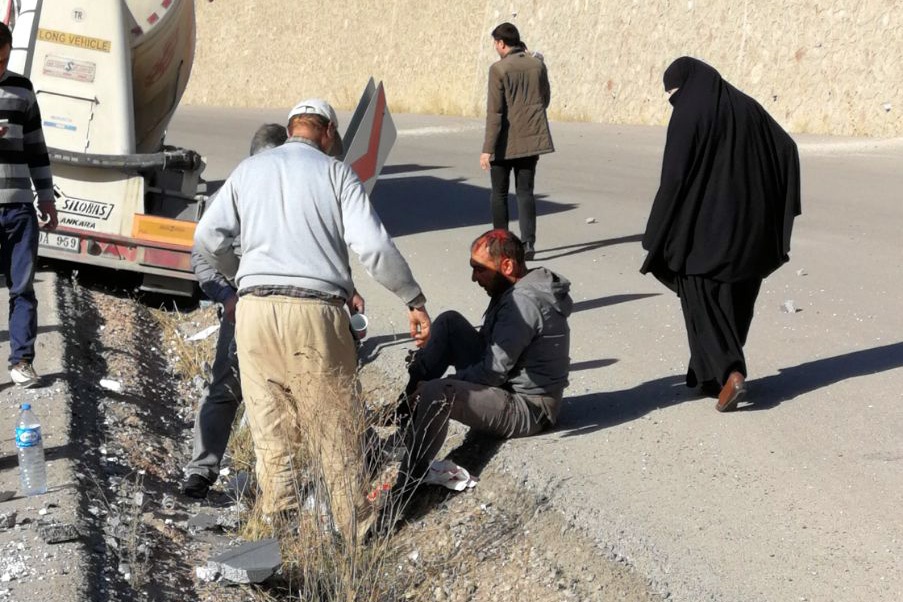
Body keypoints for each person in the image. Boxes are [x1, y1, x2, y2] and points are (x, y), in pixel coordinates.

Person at [193, 98, 431, 543]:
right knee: (335, 429)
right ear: (328, 131)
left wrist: (240, 275)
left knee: (271, 432)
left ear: (291, 129)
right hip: (315, 314)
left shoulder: (250, 171)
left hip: (254, 313)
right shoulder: (336, 173)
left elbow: (207, 236)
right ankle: (356, 535)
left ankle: (276, 539)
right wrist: (412, 298)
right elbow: (374, 247)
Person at [183, 122, 367, 499]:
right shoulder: (239, 188)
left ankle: (300, 482)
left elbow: (323, 252)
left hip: (291, 309)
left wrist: (347, 289)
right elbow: (202, 254)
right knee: (226, 388)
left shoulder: (298, 190)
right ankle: (202, 469)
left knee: (307, 397)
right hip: (245, 310)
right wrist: (229, 295)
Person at [640, 57, 801, 412]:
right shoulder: (748, 106)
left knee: (701, 298)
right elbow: (786, 148)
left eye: (674, 93)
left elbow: (675, 178)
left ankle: (730, 372)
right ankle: (708, 377)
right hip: (752, 232)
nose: (674, 100)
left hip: (706, 232)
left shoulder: (689, 113)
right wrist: (775, 201)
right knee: (735, 302)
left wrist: (656, 230)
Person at [397, 229, 571, 487]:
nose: (474, 277)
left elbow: (493, 371)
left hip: (530, 408)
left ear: (507, 266)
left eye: (480, 269)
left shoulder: (523, 303)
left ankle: (408, 483)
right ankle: (405, 412)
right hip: (507, 384)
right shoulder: (516, 287)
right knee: (449, 323)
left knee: (438, 393)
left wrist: (445, 383)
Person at [0, 22, 58, 388]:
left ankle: (21, 361)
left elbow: (36, 147)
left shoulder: (22, 89)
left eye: (3, 61)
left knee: (22, 288)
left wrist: (46, 196)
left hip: (19, 209)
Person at [480, 22, 554, 261]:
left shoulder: (498, 69)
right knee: (525, 192)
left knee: (499, 194)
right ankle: (528, 243)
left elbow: (495, 113)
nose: (495, 47)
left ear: (501, 43)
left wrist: (487, 149)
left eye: (495, 43)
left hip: (503, 143)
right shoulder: (537, 65)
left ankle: (502, 244)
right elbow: (544, 100)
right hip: (531, 140)